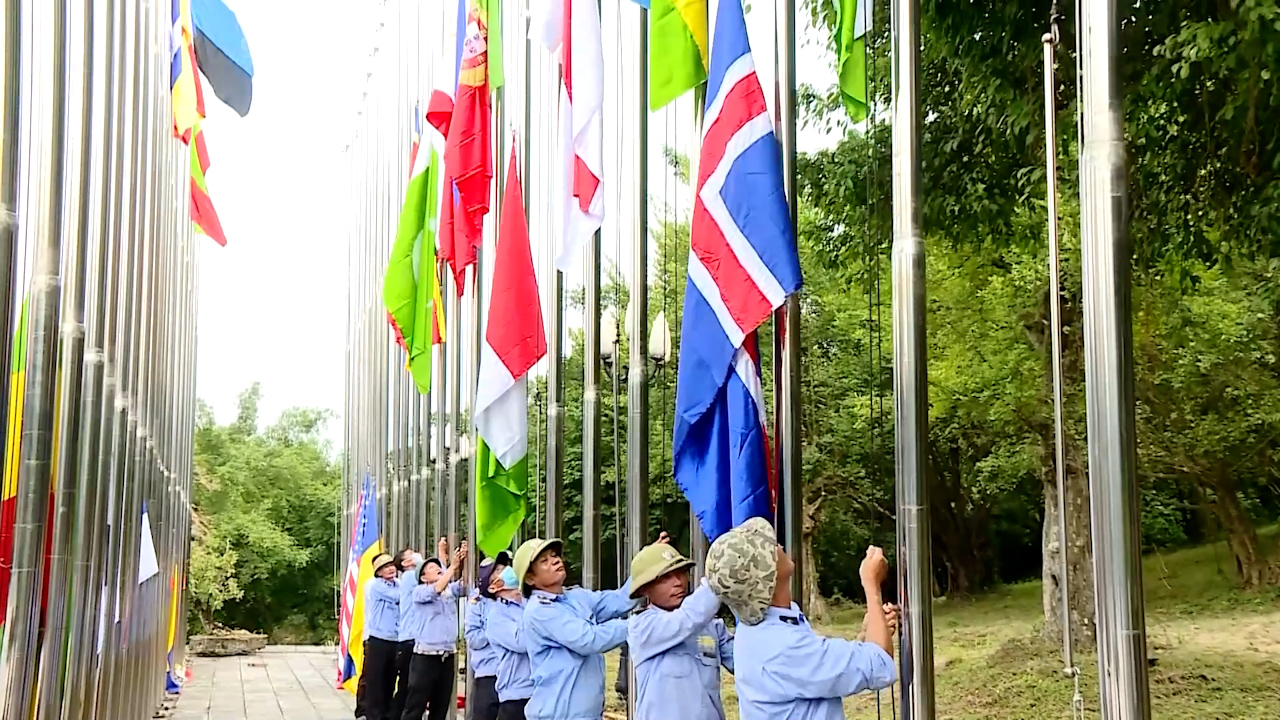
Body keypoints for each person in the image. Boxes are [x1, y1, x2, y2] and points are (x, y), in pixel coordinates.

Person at [706, 517, 897, 720]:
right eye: (768, 547)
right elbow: (879, 665)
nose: (778, 545)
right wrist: (871, 583)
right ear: (765, 575)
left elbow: (819, 674)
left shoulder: (765, 627)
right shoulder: (781, 646)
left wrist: (869, 634)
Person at [515, 536, 653, 720]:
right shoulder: (539, 610)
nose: (555, 560)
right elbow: (589, 640)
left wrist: (649, 565)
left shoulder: (576, 596)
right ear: (530, 578)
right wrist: (639, 624)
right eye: (544, 561)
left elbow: (619, 600)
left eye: (555, 555)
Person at [626, 541, 734, 720]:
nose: (677, 583)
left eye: (681, 574)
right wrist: (717, 581)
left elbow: (746, 663)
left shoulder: (711, 626)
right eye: (665, 577)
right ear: (645, 589)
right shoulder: (642, 626)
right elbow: (686, 620)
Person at [400, 542, 468, 720]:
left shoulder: (449, 591)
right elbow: (436, 589)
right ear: (423, 577)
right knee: (415, 705)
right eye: (432, 567)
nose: (437, 568)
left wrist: (465, 561)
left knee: (440, 706)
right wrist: (452, 566)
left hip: (447, 655)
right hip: (425, 657)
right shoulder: (420, 592)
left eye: (438, 566)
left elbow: (465, 584)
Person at [465, 551, 512, 720]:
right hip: (489, 673)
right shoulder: (478, 602)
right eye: (498, 570)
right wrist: (497, 632)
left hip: (514, 675)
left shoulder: (516, 599)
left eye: (505, 568)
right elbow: (473, 638)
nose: (504, 572)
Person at [485, 566, 533, 720]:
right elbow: (521, 642)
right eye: (498, 571)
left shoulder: (529, 603)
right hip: (517, 694)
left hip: (539, 690)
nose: (508, 569)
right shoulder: (496, 615)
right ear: (494, 587)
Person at [360, 552, 403, 720]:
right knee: (375, 680)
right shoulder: (376, 585)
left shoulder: (398, 584)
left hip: (395, 638)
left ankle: (386, 714)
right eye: (385, 567)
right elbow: (399, 598)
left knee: (390, 678)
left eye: (391, 565)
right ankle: (373, 715)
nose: (390, 569)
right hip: (378, 638)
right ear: (378, 572)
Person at [392, 545, 427, 720]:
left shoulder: (409, 577)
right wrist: (421, 562)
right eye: (411, 555)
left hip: (412, 638)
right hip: (409, 640)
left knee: (410, 684)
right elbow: (432, 579)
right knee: (408, 685)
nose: (416, 555)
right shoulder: (409, 577)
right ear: (406, 562)